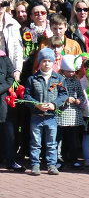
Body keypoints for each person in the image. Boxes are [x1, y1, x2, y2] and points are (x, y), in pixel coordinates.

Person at [24, 47, 68, 176]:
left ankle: (51, 165)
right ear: (39, 62)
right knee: (35, 142)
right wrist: (37, 105)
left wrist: (54, 104)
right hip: (36, 116)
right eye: (43, 61)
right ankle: (35, 165)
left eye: (49, 61)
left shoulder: (58, 78)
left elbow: (63, 94)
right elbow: (27, 97)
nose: (46, 63)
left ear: (53, 62)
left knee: (51, 142)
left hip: (51, 116)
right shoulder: (32, 79)